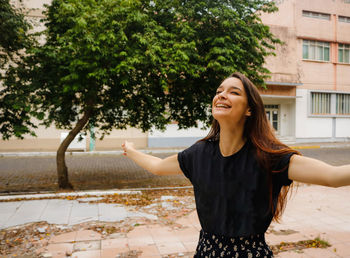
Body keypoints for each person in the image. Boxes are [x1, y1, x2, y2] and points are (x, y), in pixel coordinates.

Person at [121, 72, 350, 258]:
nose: (221, 95)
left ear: (249, 109)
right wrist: (130, 151)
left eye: (233, 92)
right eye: (219, 91)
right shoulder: (199, 153)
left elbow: (334, 176)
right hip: (206, 252)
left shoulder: (269, 157)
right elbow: (158, 166)